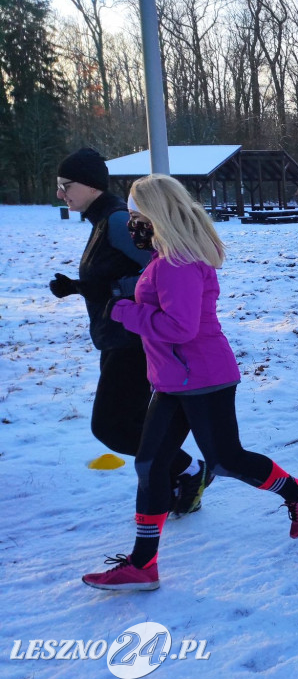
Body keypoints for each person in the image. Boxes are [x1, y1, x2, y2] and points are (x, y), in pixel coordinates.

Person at [82, 175, 298, 591]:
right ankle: (142, 564)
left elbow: (180, 327)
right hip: (174, 380)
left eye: (138, 215)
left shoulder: (178, 265)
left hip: (204, 379)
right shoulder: (166, 260)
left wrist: (125, 312)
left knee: (227, 460)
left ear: (157, 215)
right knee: (151, 464)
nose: (132, 224)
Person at [49, 148, 208, 517]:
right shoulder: (104, 220)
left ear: (89, 185)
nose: (60, 193)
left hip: (133, 339)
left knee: (111, 426)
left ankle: (187, 470)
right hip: (118, 336)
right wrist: (80, 286)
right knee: (130, 422)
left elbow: (168, 267)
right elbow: (123, 275)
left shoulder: (119, 221)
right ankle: (178, 475)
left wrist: (113, 291)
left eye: (65, 185)